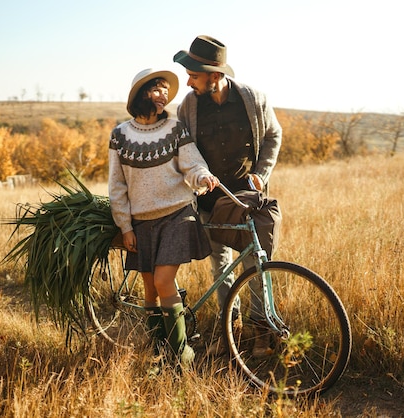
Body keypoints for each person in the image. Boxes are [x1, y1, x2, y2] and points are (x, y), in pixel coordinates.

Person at [173, 35, 282, 356]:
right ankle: (229, 330)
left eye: (194, 75)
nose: (188, 81)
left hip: (248, 200)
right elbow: (185, 150)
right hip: (209, 203)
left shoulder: (253, 99)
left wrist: (261, 174)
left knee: (255, 264)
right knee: (220, 266)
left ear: (216, 76)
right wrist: (197, 177)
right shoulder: (188, 107)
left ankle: (260, 332)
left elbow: (274, 134)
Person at [108, 68, 219, 372]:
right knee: (150, 290)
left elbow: (192, 165)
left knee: (162, 281)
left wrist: (203, 176)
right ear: (141, 94)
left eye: (165, 90)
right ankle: (159, 354)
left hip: (176, 213)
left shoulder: (175, 129)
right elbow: (116, 185)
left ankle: (182, 357)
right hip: (141, 222)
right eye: (156, 89)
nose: (164, 95)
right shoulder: (119, 135)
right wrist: (125, 226)